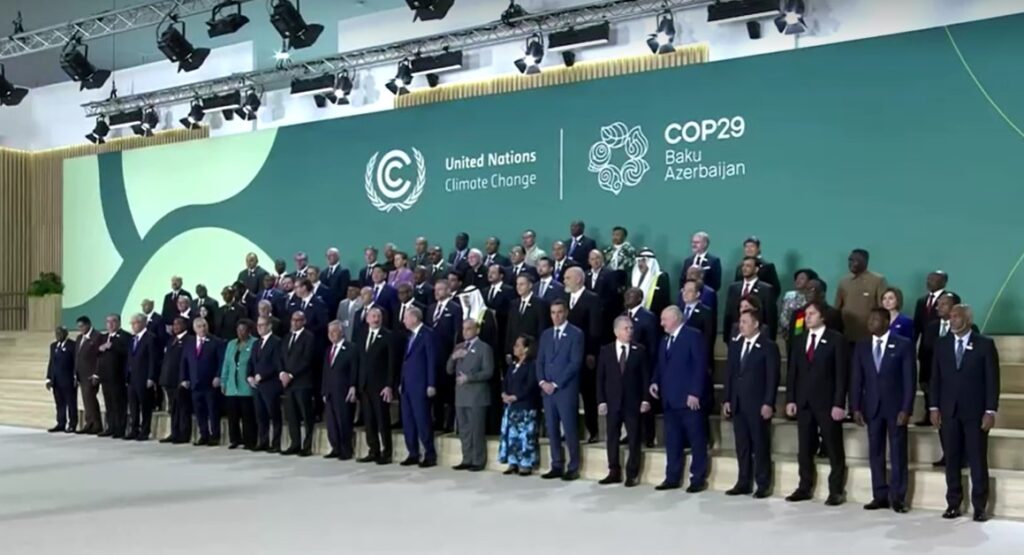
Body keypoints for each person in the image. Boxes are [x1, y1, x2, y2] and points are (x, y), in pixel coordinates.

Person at [929, 304, 1000, 522]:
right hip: (949, 411)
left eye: (956, 316)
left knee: (977, 459)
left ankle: (980, 506)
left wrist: (990, 410)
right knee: (951, 459)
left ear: (968, 320)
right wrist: (933, 407)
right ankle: (953, 503)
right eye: (950, 316)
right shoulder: (941, 345)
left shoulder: (985, 345)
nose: (952, 320)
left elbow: (992, 380)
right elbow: (935, 379)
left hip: (975, 413)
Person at [850, 308, 915, 513]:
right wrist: (856, 406)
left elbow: (909, 380)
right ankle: (879, 495)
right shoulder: (862, 345)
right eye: (869, 318)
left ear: (886, 321)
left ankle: (898, 497)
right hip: (872, 407)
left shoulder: (903, 344)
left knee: (897, 453)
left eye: (875, 319)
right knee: (875, 452)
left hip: (895, 408)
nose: (870, 322)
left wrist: (906, 408)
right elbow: (856, 379)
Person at [785, 301, 848, 506]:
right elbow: (793, 372)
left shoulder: (836, 340)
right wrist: (791, 399)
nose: (807, 317)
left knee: (833, 447)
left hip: (827, 403)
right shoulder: (799, 339)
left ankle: (836, 490)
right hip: (804, 402)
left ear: (823, 317)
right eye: (806, 314)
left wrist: (839, 403)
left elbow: (841, 375)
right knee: (804, 448)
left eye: (812, 313)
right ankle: (804, 486)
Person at [650, 306, 708, 492]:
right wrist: (655, 381)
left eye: (664, 319)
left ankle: (697, 478)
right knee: (672, 441)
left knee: (697, 440)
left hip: (689, 399)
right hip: (669, 399)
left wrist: (695, 392)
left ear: (675, 318)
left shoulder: (693, 335)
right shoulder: (665, 339)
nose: (661, 323)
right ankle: (672, 477)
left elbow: (700, 366)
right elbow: (660, 364)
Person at [723, 309, 779, 497]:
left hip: (758, 405)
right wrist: (727, 399)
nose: (741, 325)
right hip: (738, 403)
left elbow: (772, 377)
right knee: (742, 446)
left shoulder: (768, 346)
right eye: (741, 321)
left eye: (745, 322)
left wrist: (769, 402)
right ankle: (743, 481)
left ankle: (763, 483)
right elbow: (730, 374)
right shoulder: (736, 345)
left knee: (760, 445)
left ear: (756, 324)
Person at [597, 316, 651, 487]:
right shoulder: (606, 351)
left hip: (633, 403)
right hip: (612, 402)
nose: (630, 331)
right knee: (612, 437)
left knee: (634, 438)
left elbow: (645, 378)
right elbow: (600, 378)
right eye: (626, 328)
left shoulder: (639, 350)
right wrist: (601, 401)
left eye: (631, 328)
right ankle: (613, 470)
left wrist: (645, 399)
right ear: (616, 331)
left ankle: (632, 473)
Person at [537, 300, 584, 481]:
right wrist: (542, 381)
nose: (556, 316)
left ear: (566, 313)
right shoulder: (546, 334)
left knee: (570, 428)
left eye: (559, 312)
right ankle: (556, 464)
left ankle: (573, 466)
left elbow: (575, 363)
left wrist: (555, 383)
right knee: (552, 429)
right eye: (553, 312)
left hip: (564, 389)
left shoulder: (576, 334)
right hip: (546, 391)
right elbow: (540, 360)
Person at [448, 319, 495, 471]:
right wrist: (453, 357)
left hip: (477, 396)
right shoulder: (459, 347)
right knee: (464, 430)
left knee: (476, 430)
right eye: (464, 328)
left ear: (477, 330)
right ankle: (466, 458)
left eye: (469, 328)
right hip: (461, 396)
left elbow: (488, 372)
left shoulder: (484, 348)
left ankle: (478, 460)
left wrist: (470, 378)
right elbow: (449, 370)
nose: (465, 331)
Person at [564, 266, 603, 443]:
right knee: (568, 394)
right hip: (566, 356)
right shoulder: (564, 299)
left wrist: (591, 353)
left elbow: (595, 328)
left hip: (585, 354)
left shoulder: (592, 299)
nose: (565, 281)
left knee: (588, 395)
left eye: (568, 278)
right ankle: (570, 430)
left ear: (579, 279)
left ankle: (592, 431)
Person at [917, 292, 967, 432]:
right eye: (938, 303)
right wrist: (924, 376)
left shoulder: (967, 328)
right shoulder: (931, 326)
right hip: (935, 375)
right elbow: (925, 352)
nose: (938, 307)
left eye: (944, 304)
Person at [355, 307, 398, 464]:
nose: (376, 318)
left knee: (382, 420)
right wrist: (355, 383)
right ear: (367, 318)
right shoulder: (361, 335)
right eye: (373, 316)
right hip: (364, 385)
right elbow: (358, 361)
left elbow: (392, 363)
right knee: (369, 421)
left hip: (380, 386)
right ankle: (373, 450)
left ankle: (386, 452)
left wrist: (389, 385)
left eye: (378, 316)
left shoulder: (388, 336)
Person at [399, 306, 439, 467]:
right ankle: (413, 453)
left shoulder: (427, 334)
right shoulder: (410, 336)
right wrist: (401, 382)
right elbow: (406, 362)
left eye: (406, 318)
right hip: (407, 385)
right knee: (408, 421)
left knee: (422, 420)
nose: (403, 321)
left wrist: (431, 383)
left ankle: (429, 454)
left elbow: (431, 360)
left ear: (415, 318)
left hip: (421, 385)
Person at [498, 334, 541, 476]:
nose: (514, 348)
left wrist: (516, 396)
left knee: (525, 436)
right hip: (511, 407)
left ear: (527, 348)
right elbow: (506, 382)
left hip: (526, 406)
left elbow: (531, 385)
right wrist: (504, 393)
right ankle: (513, 462)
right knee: (512, 436)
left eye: (518, 345)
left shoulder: (532, 365)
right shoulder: (513, 365)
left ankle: (526, 464)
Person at [180, 317, 223, 446]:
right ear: (194, 328)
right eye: (199, 326)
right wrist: (184, 378)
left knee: (213, 411)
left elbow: (221, 362)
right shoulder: (189, 343)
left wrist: (218, 376)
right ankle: (203, 435)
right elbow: (184, 362)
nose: (202, 328)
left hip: (210, 383)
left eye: (204, 325)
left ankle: (215, 436)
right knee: (199, 411)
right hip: (195, 384)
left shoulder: (216, 342)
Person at [428, 279, 463, 432]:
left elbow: (457, 333)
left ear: (449, 290)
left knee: (449, 390)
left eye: (440, 289)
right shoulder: (430, 308)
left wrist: (454, 355)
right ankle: (437, 420)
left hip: (447, 354)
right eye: (435, 289)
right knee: (436, 388)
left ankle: (449, 422)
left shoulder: (455, 308)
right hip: (433, 355)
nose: (437, 292)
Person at [280, 310, 316, 456]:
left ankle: (306, 446)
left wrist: (291, 374)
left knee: (306, 416)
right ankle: (295, 443)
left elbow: (307, 360)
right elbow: (281, 357)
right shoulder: (287, 337)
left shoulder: (309, 337)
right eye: (293, 320)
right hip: (288, 384)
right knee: (291, 416)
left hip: (302, 382)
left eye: (298, 320)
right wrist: (282, 373)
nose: (295, 323)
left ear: (304, 322)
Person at [835, 249, 887, 343]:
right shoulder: (844, 281)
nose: (851, 263)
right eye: (849, 260)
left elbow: (882, 310)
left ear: (865, 262)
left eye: (855, 260)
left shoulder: (878, 280)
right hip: (846, 335)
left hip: (869, 336)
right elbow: (837, 308)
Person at [322, 320, 357, 460]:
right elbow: (325, 372)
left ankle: (346, 450)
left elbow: (354, 370)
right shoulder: (328, 349)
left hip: (343, 391)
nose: (331, 335)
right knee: (332, 423)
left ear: (341, 332)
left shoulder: (351, 348)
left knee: (344, 422)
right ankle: (335, 447)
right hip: (330, 391)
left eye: (334, 331)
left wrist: (353, 386)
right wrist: (324, 391)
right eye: (329, 332)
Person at [723, 256, 779, 343]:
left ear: (756, 269)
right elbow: (728, 313)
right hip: (736, 336)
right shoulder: (733, 288)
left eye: (748, 266)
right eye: (743, 266)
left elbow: (770, 317)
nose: (744, 268)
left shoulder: (766, 289)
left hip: (758, 336)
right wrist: (726, 337)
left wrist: (770, 340)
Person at [249, 316, 284, 452]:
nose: (259, 328)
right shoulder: (256, 343)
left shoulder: (276, 342)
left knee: (274, 415)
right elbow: (251, 362)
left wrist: (262, 375)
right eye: (258, 325)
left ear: (269, 326)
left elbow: (277, 364)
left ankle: (275, 444)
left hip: (270, 385)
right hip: (257, 387)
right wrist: (249, 376)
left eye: (262, 325)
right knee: (260, 415)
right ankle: (263, 441)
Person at [221, 320, 257, 450]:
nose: (241, 333)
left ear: (249, 330)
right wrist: (223, 381)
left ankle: (250, 441)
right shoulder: (231, 344)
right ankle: (235, 439)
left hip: (246, 386)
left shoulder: (254, 343)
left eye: (243, 330)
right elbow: (226, 364)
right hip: (232, 386)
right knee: (233, 416)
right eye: (239, 330)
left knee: (248, 416)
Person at [95, 314, 130, 438]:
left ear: (119, 322)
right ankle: (110, 427)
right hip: (105, 376)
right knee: (109, 403)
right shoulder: (103, 337)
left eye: (113, 321)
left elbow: (127, 353)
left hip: (118, 376)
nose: (110, 324)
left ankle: (120, 429)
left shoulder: (125, 336)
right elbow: (96, 353)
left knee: (119, 404)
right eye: (108, 321)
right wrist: (100, 348)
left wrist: (113, 346)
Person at [125, 313, 159, 441]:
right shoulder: (132, 338)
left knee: (145, 406)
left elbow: (153, 359)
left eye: (135, 323)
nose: (133, 326)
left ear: (143, 323)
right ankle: (134, 429)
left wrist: (151, 377)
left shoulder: (150, 338)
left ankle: (145, 431)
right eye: (132, 323)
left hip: (144, 377)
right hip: (132, 377)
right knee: (133, 405)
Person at [159, 317, 192, 444]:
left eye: (178, 324)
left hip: (181, 380)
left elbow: (187, 361)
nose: (175, 326)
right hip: (169, 380)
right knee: (173, 408)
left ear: (185, 325)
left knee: (183, 408)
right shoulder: (171, 340)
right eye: (174, 324)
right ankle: (174, 432)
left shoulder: (189, 340)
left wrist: (185, 378)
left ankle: (184, 434)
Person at [786, 279, 843, 349]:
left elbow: (837, 341)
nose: (807, 293)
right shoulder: (799, 313)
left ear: (822, 293)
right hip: (801, 354)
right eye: (806, 289)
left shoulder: (832, 314)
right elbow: (792, 340)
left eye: (811, 289)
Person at [505, 274, 550, 360]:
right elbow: (510, 329)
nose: (518, 287)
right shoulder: (513, 304)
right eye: (517, 284)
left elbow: (542, 329)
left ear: (530, 285)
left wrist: (536, 350)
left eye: (522, 284)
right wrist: (509, 350)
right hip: (516, 352)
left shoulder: (540, 304)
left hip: (531, 352)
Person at [45, 326, 77, 433]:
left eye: (60, 333)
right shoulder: (53, 346)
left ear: (66, 333)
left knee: (71, 403)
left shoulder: (73, 345)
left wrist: (75, 376)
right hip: (56, 380)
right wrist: (48, 378)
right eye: (56, 333)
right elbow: (51, 363)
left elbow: (75, 363)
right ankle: (61, 423)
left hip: (68, 380)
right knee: (59, 404)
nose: (57, 335)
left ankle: (72, 424)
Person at [586, 248, 622, 336]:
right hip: (589, 315)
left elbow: (613, 295)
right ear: (589, 261)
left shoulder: (610, 274)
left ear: (602, 259)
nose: (595, 261)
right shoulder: (585, 274)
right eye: (592, 259)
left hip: (604, 315)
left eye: (597, 258)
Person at [779, 269, 818, 341]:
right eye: (797, 278)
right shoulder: (789, 295)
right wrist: (792, 329)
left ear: (810, 281)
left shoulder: (813, 298)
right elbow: (783, 316)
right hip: (789, 333)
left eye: (802, 278)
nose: (798, 281)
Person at [632, 248, 671, 318]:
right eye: (639, 261)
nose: (640, 264)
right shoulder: (635, 278)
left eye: (643, 261)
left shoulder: (661, 277)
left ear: (650, 262)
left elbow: (664, 302)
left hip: (654, 317)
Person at [913, 270, 948, 345]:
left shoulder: (949, 300)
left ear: (943, 283)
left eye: (933, 280)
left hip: (940, 343)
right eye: (928, 279)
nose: (928, 282)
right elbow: (916, 325)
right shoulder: (921, 301)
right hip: (924, 345)